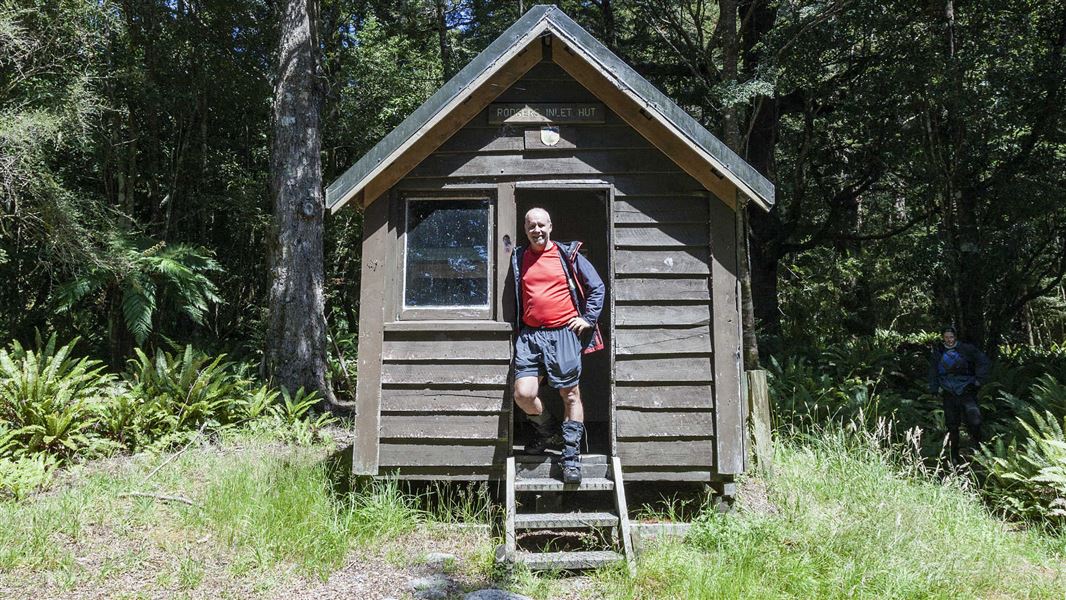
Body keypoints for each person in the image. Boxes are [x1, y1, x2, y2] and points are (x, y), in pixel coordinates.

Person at [510, 207, 605, 484]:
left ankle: (571, 456)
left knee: (571, 395)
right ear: (525, 228)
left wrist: (587, 319)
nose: (536, 230)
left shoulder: (568, 254)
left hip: (563, 333)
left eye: (541, 225)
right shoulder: (518, 257)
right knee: (523, 394)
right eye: (531, 226)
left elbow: (597, 287)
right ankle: (548, 429)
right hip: (530, 336)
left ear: (550, 226)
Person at [928, 325, 990, 463]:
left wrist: (979, 380)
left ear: (955, 337)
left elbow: (983, 361)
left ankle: (980, 451)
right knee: (952, 425)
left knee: (974, 420)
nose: (949, 340)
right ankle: (954, 456)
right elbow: (933, 371)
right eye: (946, 337)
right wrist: (934, 387)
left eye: (951, 337)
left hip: (966, 390)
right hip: (948, 392)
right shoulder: (938, 352)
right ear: (942, 338)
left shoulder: (966, 349)